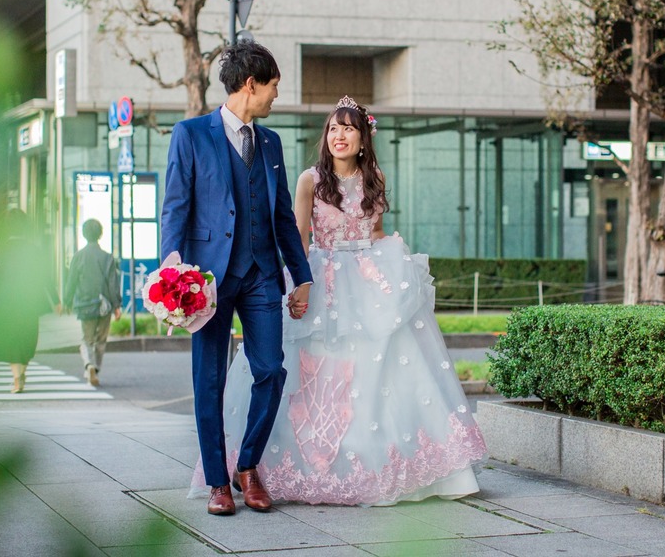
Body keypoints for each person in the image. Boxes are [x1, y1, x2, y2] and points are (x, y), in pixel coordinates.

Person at [197, 95, 488, 506]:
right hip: (321, 277)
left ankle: (373, 461)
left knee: (378, 368)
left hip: (368, 279)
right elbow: (296, 236)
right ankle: (259, 467)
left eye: (349, 128)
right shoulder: (309, 180)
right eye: (334, 128)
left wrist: (399, 265)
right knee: (308, 370)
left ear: (363, 138)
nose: (340, 135)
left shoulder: (376, 178)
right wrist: (299, 283)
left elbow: (377, 232)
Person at [161, 39, 313, 517]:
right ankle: (217, 482)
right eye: (273, 87)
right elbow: (176, 209)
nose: (275, 98)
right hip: (206, 280)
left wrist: (300, 276)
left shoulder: (270, 142)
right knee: (209, 379)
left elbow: (284, 215)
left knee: (270, 368)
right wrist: (172, 274)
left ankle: (247, 466)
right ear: (251, 85)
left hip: (263, 275)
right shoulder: (189, 135)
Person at [0, 209, 55, 393]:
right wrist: (56, 300)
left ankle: (16, 377)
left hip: (7, 300)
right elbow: (45, 276)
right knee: (27, 338)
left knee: (10, 338)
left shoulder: (1, 248)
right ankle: (22, 373)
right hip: (29, 301)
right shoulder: (34, 249)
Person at [63, 218, 121, 387]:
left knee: (87, 338)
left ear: (84, 234)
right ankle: (95, 369)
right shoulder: (107, 257)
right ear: (100, 234)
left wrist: (67, 302)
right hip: (104, 305)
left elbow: (71, 281)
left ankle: (89, 365)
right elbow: (112, 283)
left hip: (85, 304)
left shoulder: (78, 256)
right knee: (101, 339)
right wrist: (117, 305)